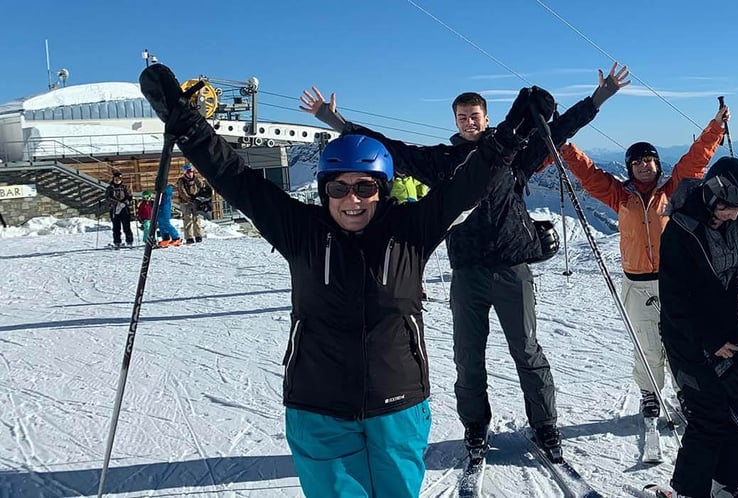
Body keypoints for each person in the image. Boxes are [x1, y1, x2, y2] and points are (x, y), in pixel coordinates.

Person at [140, 63, 548, 497]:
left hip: (398, 406)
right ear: (323, 190)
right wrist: (185, 123)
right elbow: (234, 177)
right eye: (338, 188)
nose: (352, 199)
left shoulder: (411, 231)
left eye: (365, 188)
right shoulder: (301, 231)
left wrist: (512, 132)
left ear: (383, 189)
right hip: (319, 410)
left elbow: (469, 183)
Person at [300, 63, 631, 463]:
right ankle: (475, 427)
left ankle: (545, 425)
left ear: (487, 118)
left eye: (475, 116)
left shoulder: (515, 155)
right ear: (455, 122)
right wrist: (334, 119)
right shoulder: (444, 161)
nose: (470, 122)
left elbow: (558, 131)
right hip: (468, 270)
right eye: (462, 117)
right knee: (467, 356)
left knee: (526, 351)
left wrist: (601, 96)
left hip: (512, 267)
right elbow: (391, 150)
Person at [557, 102, 728, 419]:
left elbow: (695, 161)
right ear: (630, 168)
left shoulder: (674, 191)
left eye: (649, 161)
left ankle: (685, 394)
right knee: (647, 344)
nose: (644, 166)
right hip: (637, 285)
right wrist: (565, 145)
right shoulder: (619, 196)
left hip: (675, 281)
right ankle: (650, 394)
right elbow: (590, 174)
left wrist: (716, 127)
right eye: (637, 163)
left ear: (657, 164)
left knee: (682, 342)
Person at [658, 157, 738, 498]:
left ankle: (728, 485)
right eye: (730, 208)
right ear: (713, 196)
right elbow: (675, 299)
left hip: (728, 328)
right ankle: (690, 491)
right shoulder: (682, 230)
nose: (736, 215)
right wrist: (708, 340)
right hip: (688, 335)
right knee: (708, 414)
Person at [177, 164, 209, 243]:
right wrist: (189, 199)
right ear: (185, 173)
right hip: (186, 202)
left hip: (195, 201)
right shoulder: (181, 181)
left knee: (196, 218)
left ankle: (198, 235)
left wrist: (203, 192)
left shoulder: (196, 179)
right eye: (188, 172)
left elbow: (202, 186)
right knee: (188, 219)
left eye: (191, 171)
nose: (190, 174)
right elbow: (182, 192)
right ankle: (189, 237)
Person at [104, 171, 135, 248]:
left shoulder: (124, 187)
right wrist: (116, 203)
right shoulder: (110, 188)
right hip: (114, 209)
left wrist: (125, 202)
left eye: (119, 178)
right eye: (116, 178)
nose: (117, 180)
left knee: (126, 226)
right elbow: (107, 198)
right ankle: (117, 242)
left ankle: (129, 241)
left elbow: (129, 196)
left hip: (124, 209)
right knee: (116, 227)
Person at [155, 183, 183, 248]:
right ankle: (165, 238)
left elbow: (164, 201)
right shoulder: (162, 193)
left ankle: (176, 237)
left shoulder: (166, 193)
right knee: (161, 224)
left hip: (164, 209)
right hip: (161, 208)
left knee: (166, 223)